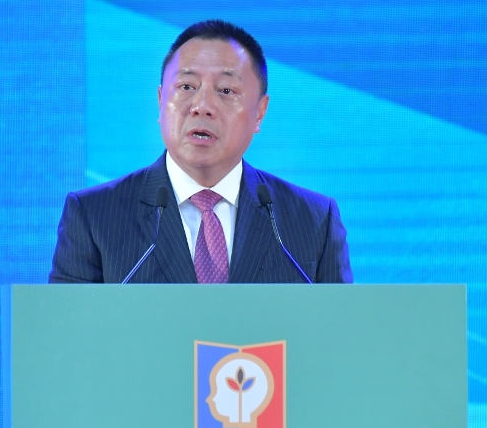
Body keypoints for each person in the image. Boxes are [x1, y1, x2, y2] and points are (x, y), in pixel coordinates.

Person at [49, 20, 352, 284]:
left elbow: (339, 329)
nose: (202, 106)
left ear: (260, 112)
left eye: (226, 90)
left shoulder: (313, 221)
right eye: (186, 87)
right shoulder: (93, 217)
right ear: (160, 101)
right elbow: (68, 329)